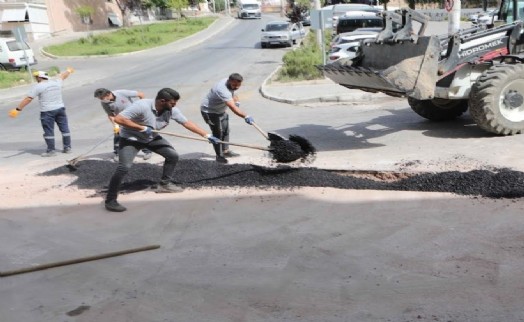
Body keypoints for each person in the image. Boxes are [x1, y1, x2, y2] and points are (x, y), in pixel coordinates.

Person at [105, 87, 220, 212]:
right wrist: (140, 128)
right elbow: (119, 119)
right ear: (162, 101)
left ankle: (165, 184)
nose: (174, 105)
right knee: (124, 167)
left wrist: (206, 135)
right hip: (131, 139)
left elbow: (186, 123)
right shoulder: (142, 106)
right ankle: (110, 200)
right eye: (172, 102)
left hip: (151, 138)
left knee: (172, 156)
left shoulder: (171, 110)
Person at [9, 68, 74, 157]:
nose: (36, 79)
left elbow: (28, 99)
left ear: (40, 77)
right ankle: (67, 148)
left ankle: (51, 151)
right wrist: (69, 71)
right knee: (65, 129)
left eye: (36, 77)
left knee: (49, 131)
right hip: (60, 109)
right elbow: (63, 76)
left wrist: (18, 109)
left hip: (47, 111)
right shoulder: (56, 82)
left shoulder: (38, 86)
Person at [200, 73, 255, 164]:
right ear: (229, 81)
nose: (236, 87)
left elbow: (233, 93)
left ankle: (226, 151)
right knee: (217, 134)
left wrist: (236, 100)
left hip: (221, 110)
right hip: (210, 112)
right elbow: (233, 108)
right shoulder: (222, 90)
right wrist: (246, 116)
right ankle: (219, 156)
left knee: (226, 130)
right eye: (234, 85)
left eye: (238, 85)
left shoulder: (230, 82)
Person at [93, 88, 152, 161]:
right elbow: (110, 114)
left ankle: (147, 151)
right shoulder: (104, 103)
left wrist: (142, 106)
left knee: (140, 133)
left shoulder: (122, 93)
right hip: (121, 120)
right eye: (100, 99)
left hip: (134, 117)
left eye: (102, 98)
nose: (102, 100)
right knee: (118, 135)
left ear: (108, 94)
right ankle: (118, 153)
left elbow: (141, 94)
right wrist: (115, 124)